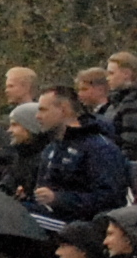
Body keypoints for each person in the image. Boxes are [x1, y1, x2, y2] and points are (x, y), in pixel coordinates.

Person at [25, 84, 129, 226]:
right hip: (51, 216)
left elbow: (111, 199)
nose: (38, 116)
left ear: (63, 109)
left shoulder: (99, 147)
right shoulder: (51, 148)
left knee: (18, 218)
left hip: (82, 225)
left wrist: (59, 199)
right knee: (12, 211)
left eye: (43, 110)